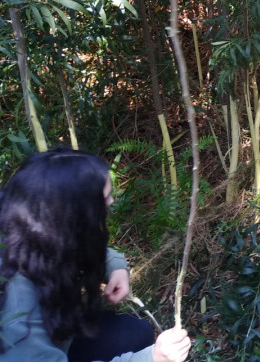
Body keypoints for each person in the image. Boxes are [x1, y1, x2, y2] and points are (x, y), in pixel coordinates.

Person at [0, 149, 191, 362]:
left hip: (56, 338)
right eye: (105, 199)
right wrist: (153, 358)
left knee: (134, 332)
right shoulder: (16, 313)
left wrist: (114, 267)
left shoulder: (18, 219)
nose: (110, 203)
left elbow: (65, 246)